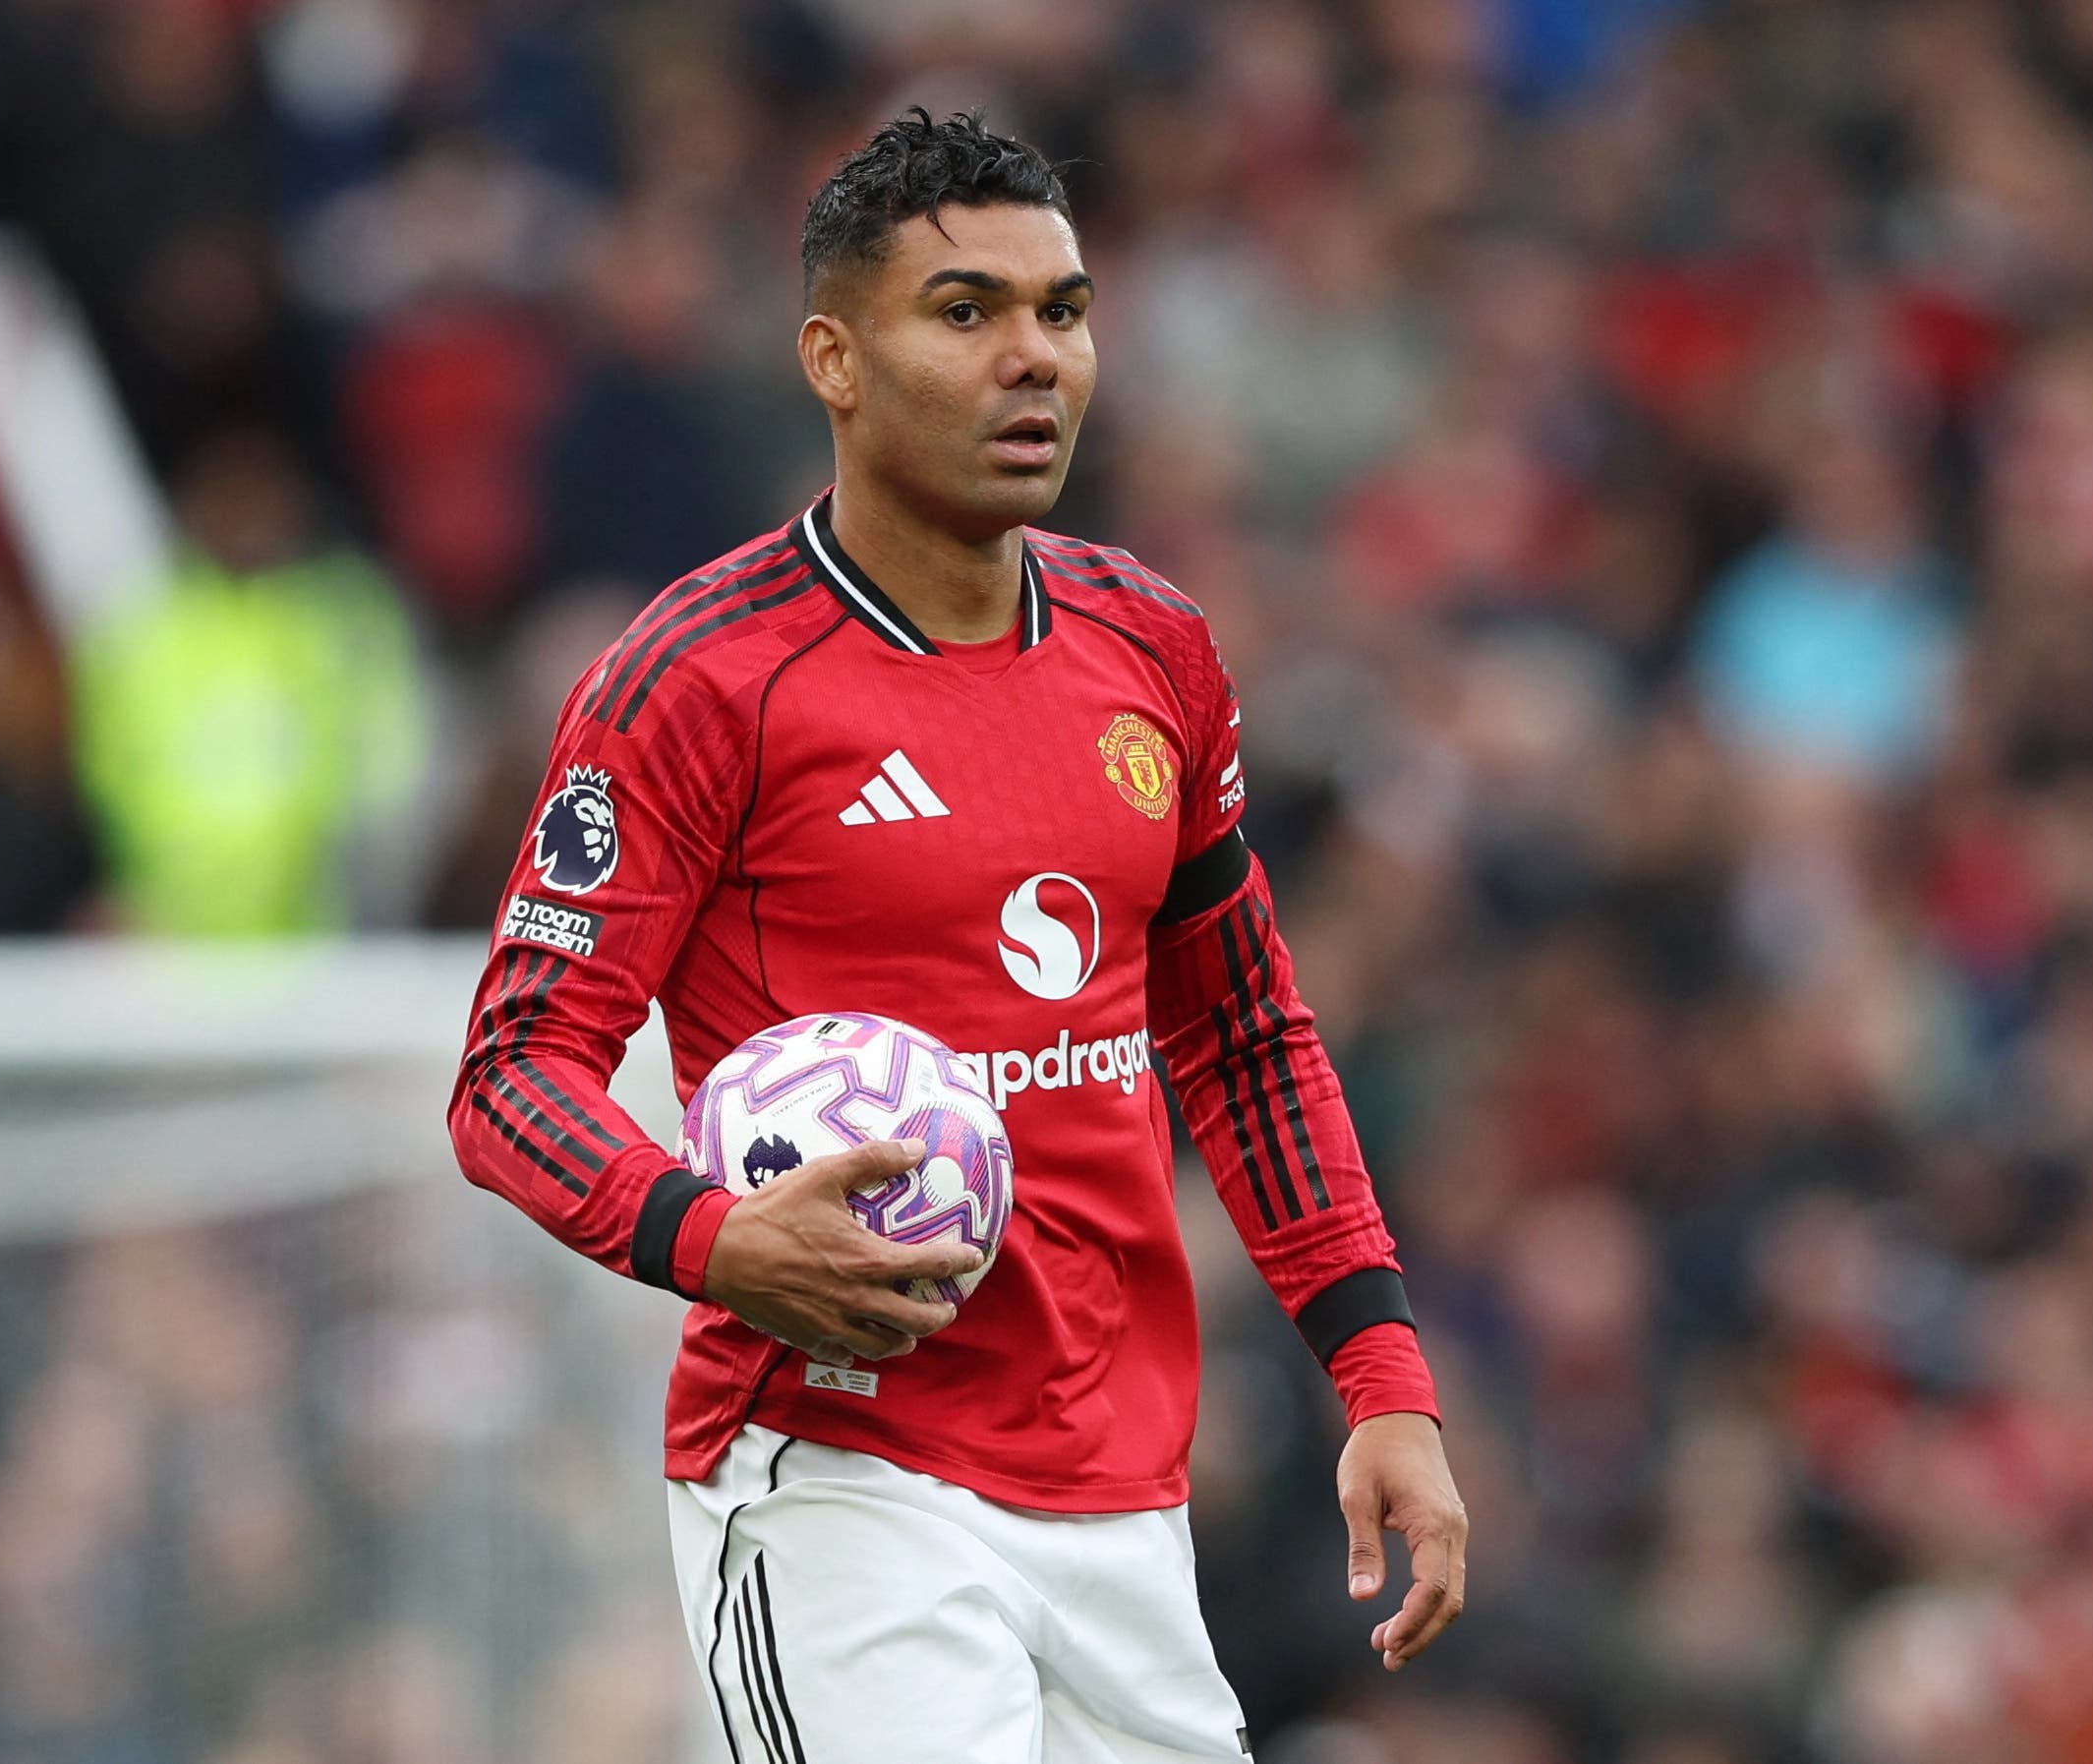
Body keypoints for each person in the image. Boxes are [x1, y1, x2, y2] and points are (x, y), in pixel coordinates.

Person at [448, 108, 1468, 1761]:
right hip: (840, 1484)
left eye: (1060, 312)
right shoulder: (698, 681)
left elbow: (1244, 1035)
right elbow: (512, 1073)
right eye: (965, 311)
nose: (1033, 360)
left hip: (1123, 1494)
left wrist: (1381, 1374)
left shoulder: (1154, 646)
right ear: (833, 361)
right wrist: (715, 1236)